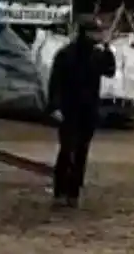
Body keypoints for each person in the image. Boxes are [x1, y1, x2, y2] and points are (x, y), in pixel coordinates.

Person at [46, 15, 117, 208]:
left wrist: (108, 49)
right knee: (67, 149)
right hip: (70, 109)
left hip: (88, 109)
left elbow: (110, 70)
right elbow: (56, 82)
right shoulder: (67, 54)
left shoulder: (97, 54)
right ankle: (61, 189)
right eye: (95, 32)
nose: (98, 35)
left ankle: (74, 191)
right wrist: (55, 106)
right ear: (84, 32)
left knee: (82, 151)